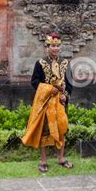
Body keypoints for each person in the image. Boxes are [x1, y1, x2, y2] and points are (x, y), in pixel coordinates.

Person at [21, 33, 74, 172]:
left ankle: (61, 158)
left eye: (57, 46)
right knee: (45, 130)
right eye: (52, 46)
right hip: (46, 102)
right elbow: (34, 82)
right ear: (47, 47)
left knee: (62, 128)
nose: (55, 48)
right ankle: (43, 161)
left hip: (61, 102)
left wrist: (66, 96)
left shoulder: (66, 63)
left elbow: (69, 83)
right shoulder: (40, 63)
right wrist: (50, 89)